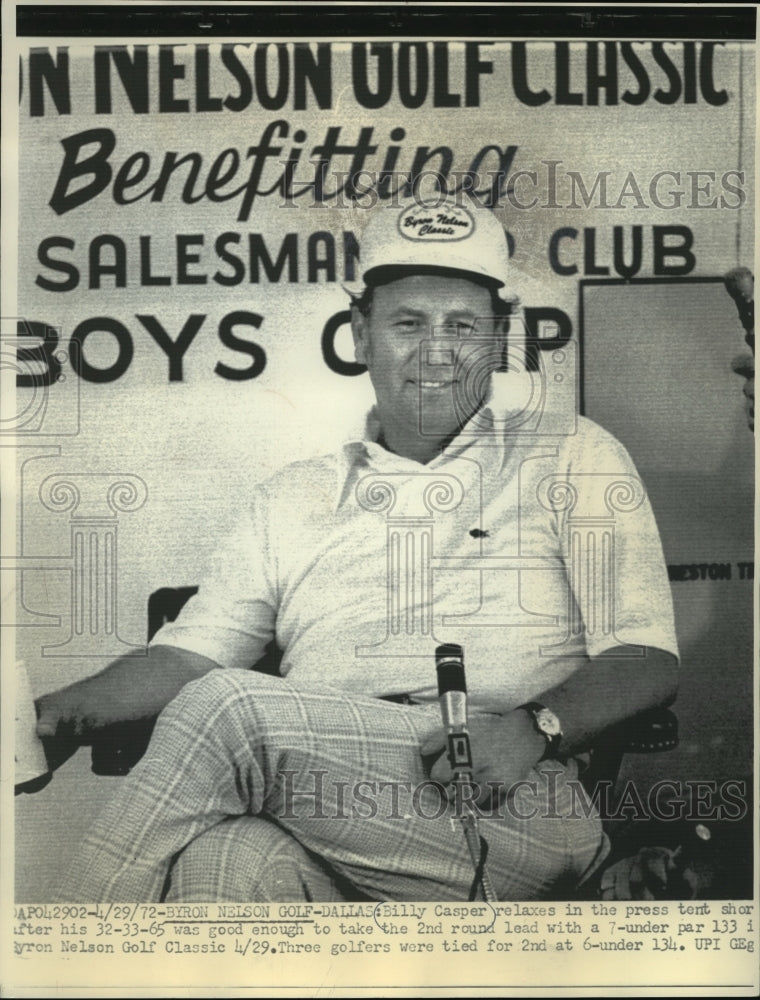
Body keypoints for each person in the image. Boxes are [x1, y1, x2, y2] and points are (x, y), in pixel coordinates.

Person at [37, 197, 679, 902]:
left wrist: (538, 727)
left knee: (230, 709)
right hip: (327, 806)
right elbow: (188, 657)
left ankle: (69, 957)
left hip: (509, 792)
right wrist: (52, 715)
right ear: (359, 333)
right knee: (225, 858)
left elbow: (646, 657)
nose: (436, 351)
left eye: (461, 326)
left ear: (500, 340)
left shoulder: (570, 451)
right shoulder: (293, 495)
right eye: (408, 323)